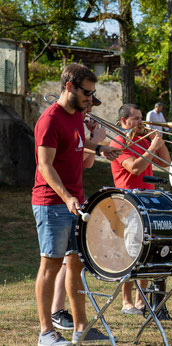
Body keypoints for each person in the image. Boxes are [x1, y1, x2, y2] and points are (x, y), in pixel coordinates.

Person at [32, 64, 120, 345]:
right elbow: (45, 165)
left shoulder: (77, 117)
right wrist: (66, 196)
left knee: (77, 264)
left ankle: (81, 327)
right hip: (52, 203)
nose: (90, 99)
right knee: (50, 265)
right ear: (69, 86)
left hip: (75, 203)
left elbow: (77, 151)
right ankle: (46, 333)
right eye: (86, 92)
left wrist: (100, 148)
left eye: (93, 94)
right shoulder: (49, 120)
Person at [110, 103, 171, 315]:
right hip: (128, 202)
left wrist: (158, 141)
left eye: (141, 118)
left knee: (146, 250)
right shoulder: (118, 142)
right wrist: (151, 147)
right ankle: (126, 301)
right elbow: (134, 167)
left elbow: (166, 162)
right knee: (129, 252)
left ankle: (140, 300)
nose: (141, 122)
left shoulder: (144, 140)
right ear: (124, 121)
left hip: (148, 200)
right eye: (135, 119)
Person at [51, 96, 106, 331]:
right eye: (89, 104)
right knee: (61, 260)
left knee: (71, 260)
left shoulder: (79, 125)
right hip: (61, 198)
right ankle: (55, 311)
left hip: (76, 197)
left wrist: (93, 140)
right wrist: (96, 140)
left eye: (92, 106)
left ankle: (60, 311)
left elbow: (87, 163)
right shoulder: (64, 122)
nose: (90, 109)